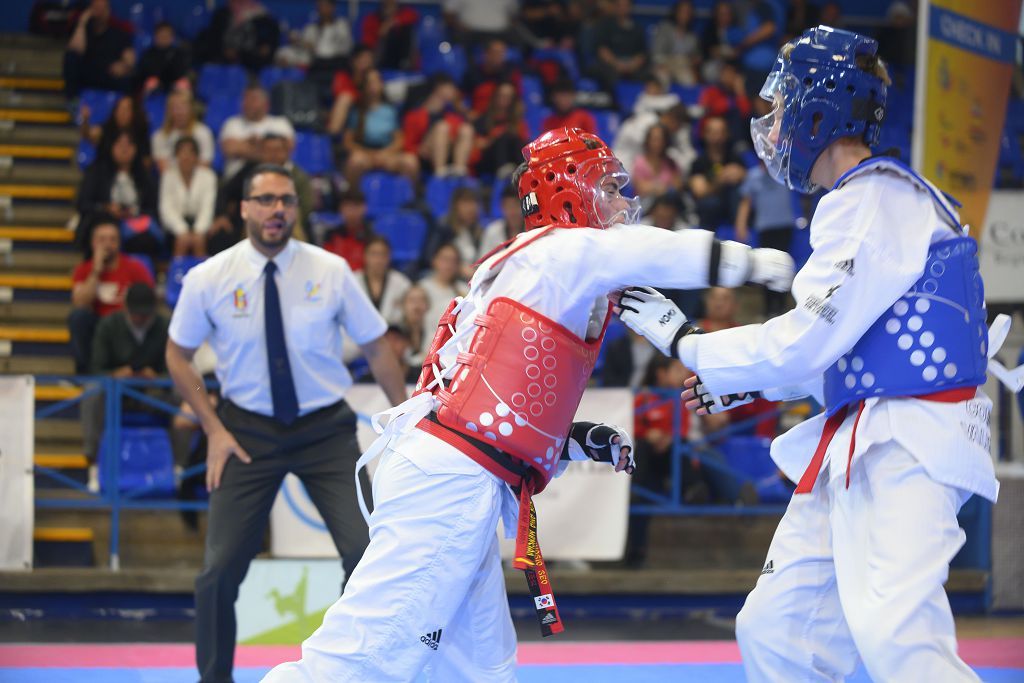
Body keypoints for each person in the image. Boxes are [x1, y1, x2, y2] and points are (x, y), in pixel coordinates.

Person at [263, 126, 793, 681]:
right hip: (447, 477)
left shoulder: (539, 271)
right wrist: (756, 263)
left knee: (480, 667)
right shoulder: (563, 251)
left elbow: (499, 397)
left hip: (451, 466)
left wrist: (575, 438)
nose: (625, 204)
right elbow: (658, 251)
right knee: (359, 655)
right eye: (610, 190)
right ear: (571, 193)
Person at [618, 27, 1004, 682]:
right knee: (777, 629)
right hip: (862, 433)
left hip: (913, 438)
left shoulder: (871, 199)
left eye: (781, 103)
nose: (772, 121)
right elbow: (843, 352)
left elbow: (810, 338)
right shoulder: (859, 203)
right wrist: (750, 383)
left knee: (896, 634)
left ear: (818, 108)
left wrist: (694, 345)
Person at [165, 163, 408, 683]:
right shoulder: (209, 277)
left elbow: (377, 346)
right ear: (245, 209)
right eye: (267, 200)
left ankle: (359, 671)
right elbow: (178, 356)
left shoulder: (331, 270)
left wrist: (408, 419)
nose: (278, 209)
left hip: (325, 431)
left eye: (287, 201)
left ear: (296, 210)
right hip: (245, 434)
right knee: (217, 572)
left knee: (367, 553)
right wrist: (212, 426)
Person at [69, 216, 155, 374]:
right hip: (98, 328)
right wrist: (96, 271)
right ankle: (89, 375)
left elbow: (148, 300)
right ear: (93, 243)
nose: (108, 245)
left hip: (126, 326)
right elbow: (80, 303)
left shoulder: (135, 268)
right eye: (102, 240)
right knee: (78, 318)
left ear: (119, 243)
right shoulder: (83, 270)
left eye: (112, 239)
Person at [218, 86, 295, 180]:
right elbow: (229, 149)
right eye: (245, 99)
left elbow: (287, 150)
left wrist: (247, 145)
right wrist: (268, 150)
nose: (246, 103)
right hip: (237, 182)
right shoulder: (232, 123)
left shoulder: (280, 123)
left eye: (252, 99)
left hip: (277, 178)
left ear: (266, 104)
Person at [159, 137, 218, 257]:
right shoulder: (168, 176)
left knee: (199, 241)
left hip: (201, 224)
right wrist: (182, 230)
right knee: (182, 240)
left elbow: (207, 207)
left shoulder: (208, 176)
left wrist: (199, 231)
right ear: (176, 156)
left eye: (190, 152)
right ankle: (176, 274)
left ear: (197, 157)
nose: (186, 157)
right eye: (182, 152)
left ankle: (203, 274)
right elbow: (166, 208)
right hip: (175, 227)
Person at [63, 0, 134, 97]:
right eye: (96, 8)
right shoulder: (83, 31)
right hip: (87, 74)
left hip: (109, 74)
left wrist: (124, 66)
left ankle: (122, 107)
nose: (99, 13)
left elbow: (130, 60)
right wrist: (82, 23)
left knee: (127, 79)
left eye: (102, 9)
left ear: (108, 11)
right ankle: (73, 102)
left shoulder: (119, 33)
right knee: (70, 58)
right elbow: (75, 49)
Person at [152, 90, 216, 172]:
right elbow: (164, 170)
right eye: (175, 108)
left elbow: (205, 166)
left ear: (191, 109)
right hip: (171, 182)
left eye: (183, 107)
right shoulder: (159, 136)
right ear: (168, 111)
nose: (179, 112)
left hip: (199, 182)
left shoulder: (204, 132)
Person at [134, 21, 191, 94]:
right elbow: (143, 74)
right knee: (150, 83)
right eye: (161, 35)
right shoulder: (148, 54)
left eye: (167, 36)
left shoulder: (179, 53)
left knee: (183, 83)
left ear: (172, 37)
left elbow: (181, 72)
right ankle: (147, 105)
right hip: (156, 87)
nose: (164, 38)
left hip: (174, 86)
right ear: (155, 37)